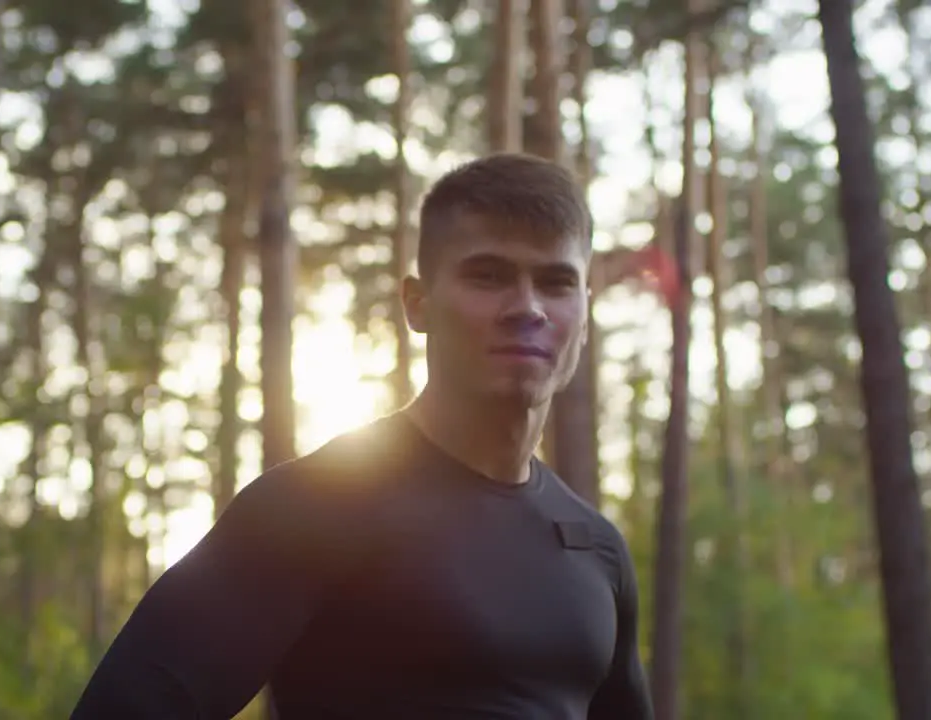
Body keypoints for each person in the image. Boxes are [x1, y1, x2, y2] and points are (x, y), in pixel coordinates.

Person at [69, 152, 654, 719]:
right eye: (489, 276)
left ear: (584, 307)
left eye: (555, 283)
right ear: (417, 304)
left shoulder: (596, 550)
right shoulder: (316, 505)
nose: (526, 308)